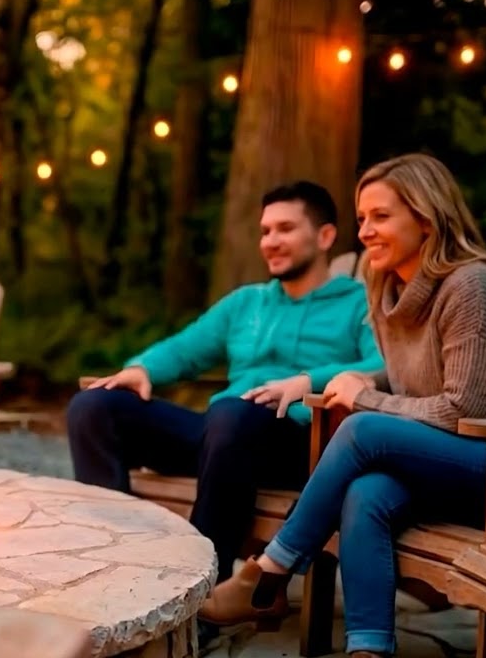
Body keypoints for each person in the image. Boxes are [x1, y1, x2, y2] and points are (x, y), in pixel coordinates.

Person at [199, 154, 486, 658]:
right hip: (453, 466)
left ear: (426, 218)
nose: (366, 231)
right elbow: (419, 367)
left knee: (363, 429)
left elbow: (464, 410)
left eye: (381, 216)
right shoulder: (389, 291)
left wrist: (367, 396)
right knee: (366, 493)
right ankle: (368, 649)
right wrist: (369, 375)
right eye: (362, 219)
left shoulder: (476, 288)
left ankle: (268, 573)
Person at [66, 181, 383, 584]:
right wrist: (142, 368)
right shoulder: (247, 302)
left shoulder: (357, 302)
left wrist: (308, 381)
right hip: (222, 437)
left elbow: (381, 364)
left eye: (285, 229)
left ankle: (201, 587)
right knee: (93, 406)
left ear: (325, 237)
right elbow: (185, 350)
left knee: (231, 415)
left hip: (298, 443)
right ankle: (115, 563)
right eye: (265, 231)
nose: (270, 241)